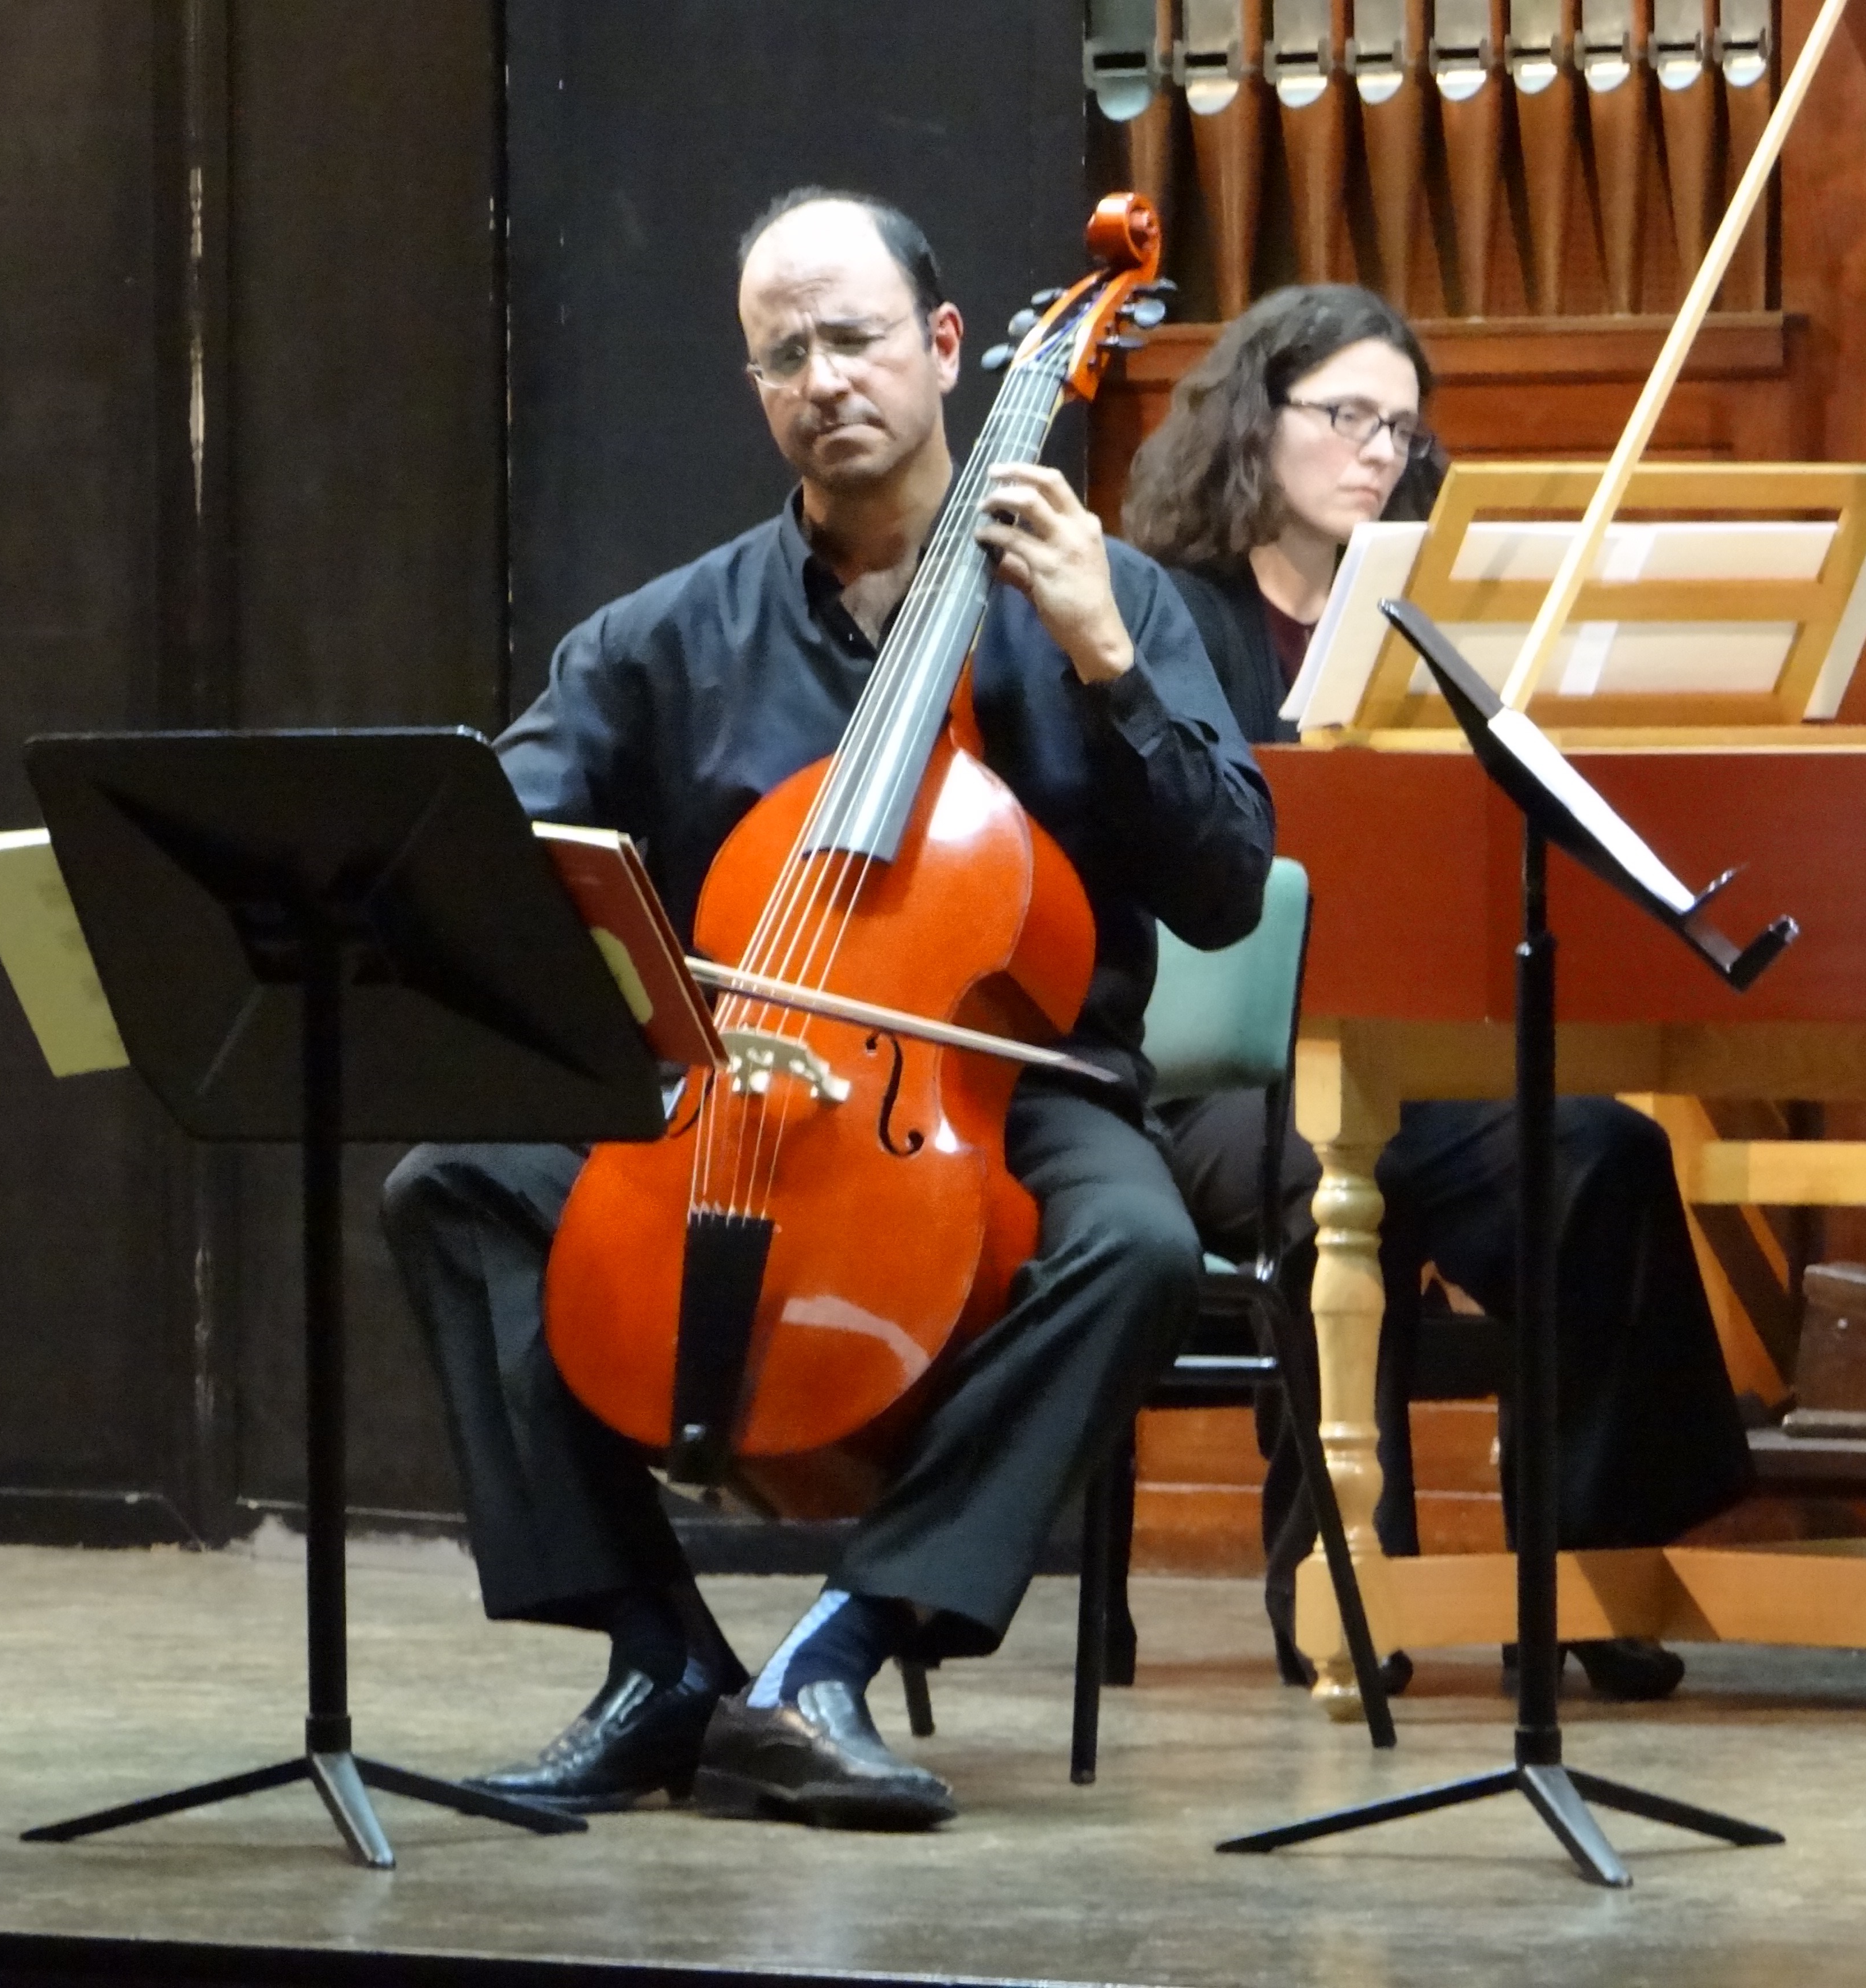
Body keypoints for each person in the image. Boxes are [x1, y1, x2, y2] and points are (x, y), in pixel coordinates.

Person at [380, 188, 1271, 1830]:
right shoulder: (668, 635)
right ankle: (659, 1661)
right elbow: (512, 850)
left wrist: (1103, 666)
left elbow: (1224, 886)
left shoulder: (1116, 596)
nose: (821, 379)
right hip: (737, 1070)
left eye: (852, 338)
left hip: (1022, 1077)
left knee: (1137, 1247)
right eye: (781, 353)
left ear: (943, 348)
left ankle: (839, 1650)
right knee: (454, 1184)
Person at [1119, 284, 1754, 1702]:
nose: (1379, 453)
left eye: (1402, 429)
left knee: (1604, 1151)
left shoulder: (1426, 627)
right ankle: (1349, 1578)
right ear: (1251, 421)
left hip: (1390, 1049)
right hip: (1218, 1068)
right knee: (1330, 1175)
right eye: (1346, 416)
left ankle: (1585, 1575)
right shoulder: (1168, 610)